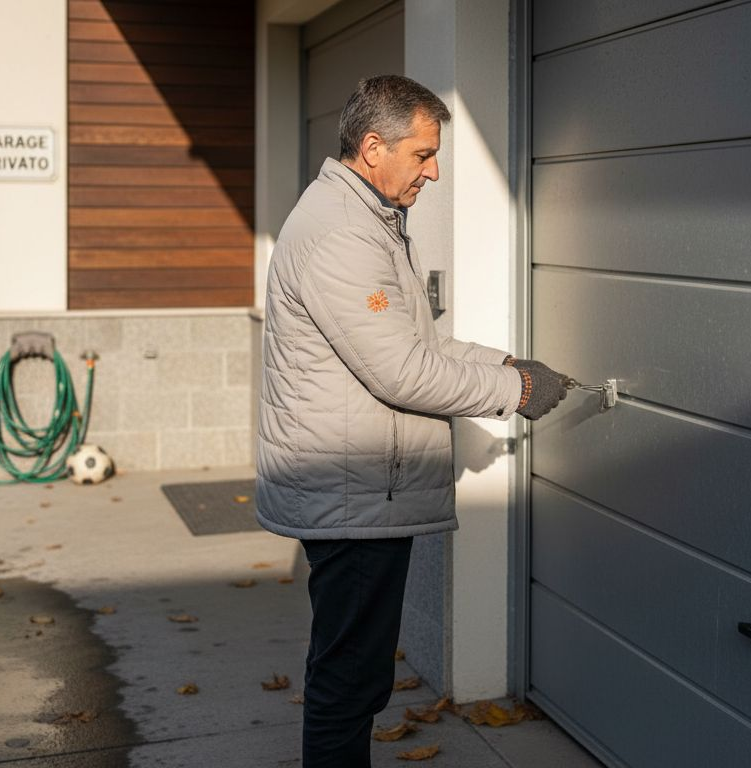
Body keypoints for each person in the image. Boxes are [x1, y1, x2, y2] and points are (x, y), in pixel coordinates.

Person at [255, 75, 569, 766]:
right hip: (350, 492)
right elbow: (400, 372)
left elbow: (414, 341)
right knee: (348, 680)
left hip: (359, 487)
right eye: (423, 154)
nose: (434, 170)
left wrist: (505, 360)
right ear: (373, 147)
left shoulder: (365, 219)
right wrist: (511, 391)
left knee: (355, 673)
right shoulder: (342, 232)